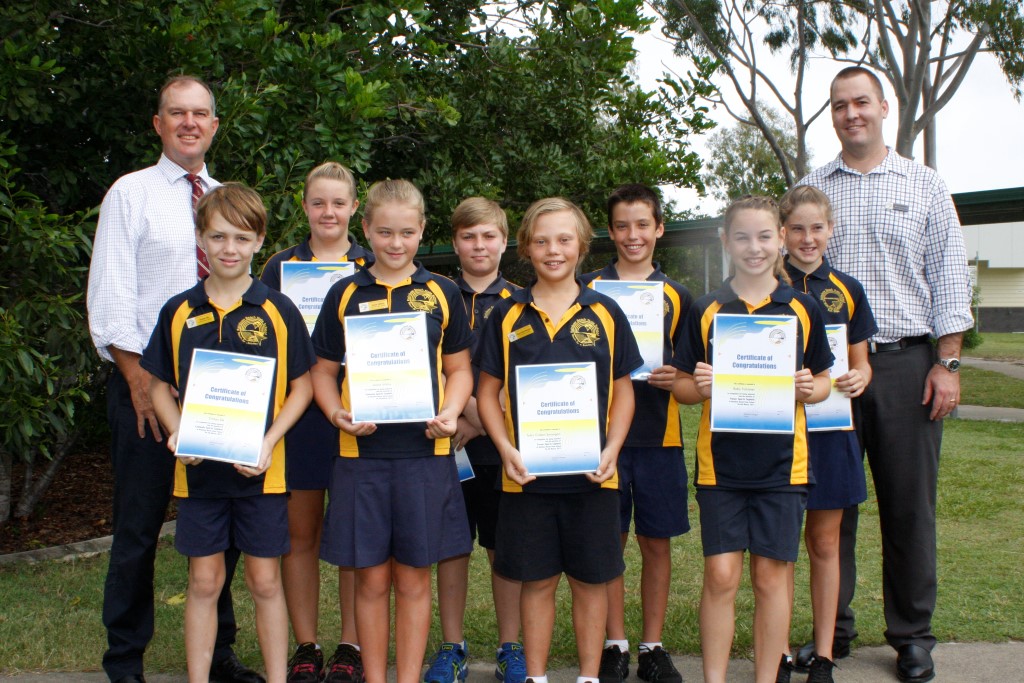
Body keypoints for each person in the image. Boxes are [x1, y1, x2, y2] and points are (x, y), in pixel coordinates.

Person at [796, 66, 973, 683]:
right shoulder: (812, 188)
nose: (851, 114)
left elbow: (950, 276)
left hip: (905, 364)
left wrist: (947, 362)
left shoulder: (925, 185)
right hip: (829, 373)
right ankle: (832, 631)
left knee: (907, 507)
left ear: (884, 108)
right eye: (840, 105)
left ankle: (911, 635)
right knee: (830, 505)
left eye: (861, 102)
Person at [87, 75, 263, 683]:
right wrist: (138, 379)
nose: (189, 123)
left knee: (223, 526)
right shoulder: (129, 194)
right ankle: (124, 658)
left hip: (223, 395)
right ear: (158, 124)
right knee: (137, 525)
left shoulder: (226, 200)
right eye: (176, 113)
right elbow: (110, 298)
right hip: (144, 387)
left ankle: (218, 654)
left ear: (214, 125)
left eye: (201, 114)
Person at [142, 182, 315, 683]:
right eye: (218, 237)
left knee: (265, 581)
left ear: (259, 240)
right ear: (201, 239)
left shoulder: (277, 310)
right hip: (199, 476)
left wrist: (269, 440)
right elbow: (158, 385)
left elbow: (301, 388)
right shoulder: (179, 311)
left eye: (241, 238)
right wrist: (178, 433)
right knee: (203, 580)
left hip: (261, 472)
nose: (229, 249)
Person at [310, 179, 475, 683]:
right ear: (366, 229)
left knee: (413, 578)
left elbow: (461, 369)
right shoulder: (344, 293)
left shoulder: (442, 293)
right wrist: (337, 414)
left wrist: (450, 412)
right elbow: (321, 371)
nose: (396, 243)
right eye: (384, 232)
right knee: (371, 580)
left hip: (425, 456)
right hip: (361, 457)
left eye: (407, 232)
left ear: (423, 230)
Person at [475, 197, 642, 683]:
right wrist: (505, 449)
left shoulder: (606, 312)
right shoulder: (507, 316)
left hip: (593, 476)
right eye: (542, 240)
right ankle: (537, 676)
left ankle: (590, 676)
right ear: (525, 248)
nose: (554, 250)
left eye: (564, 239)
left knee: (592, 582)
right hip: (527, 477)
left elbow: (624, 392)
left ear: (582, 246)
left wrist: (611, 449)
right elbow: (488, 393)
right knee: (537, 580)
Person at [670, 196, 833, 683]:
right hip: (721, 468)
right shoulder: (707, 309)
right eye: (741, 236)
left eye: (764, 236)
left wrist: (812, 388)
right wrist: (695, 386)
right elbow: (680, 389)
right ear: (725, 241)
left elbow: (823, 380)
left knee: (770, 577)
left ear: (781, 238)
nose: (754, 247)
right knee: (721, 576)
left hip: (784, 467)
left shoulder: (801, 308)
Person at [259, 161, 372, 683]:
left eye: (339, 202)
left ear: (355, 208)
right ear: (304, 206)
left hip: (364, 415)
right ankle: (307, 645)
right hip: (299, 418)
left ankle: (351, 645)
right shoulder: (278, 269)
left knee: (354, 537)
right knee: (299, 534)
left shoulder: (375, 266)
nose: (329, 212)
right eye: (318, 202)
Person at [579, 185, 692, 683]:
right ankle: (615, 642)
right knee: (608, 541)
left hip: (659, 437)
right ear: (610, 231)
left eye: (642, 224)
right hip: (600, 438)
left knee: (655, 543)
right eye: (622, 225)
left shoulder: (677, 296)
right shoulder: (588, 290)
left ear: (659, 229)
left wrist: (678, 379)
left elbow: (691, 378)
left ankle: (652, 645)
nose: (632, 235)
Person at [425, 198, 526, 683]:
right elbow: (431, 367)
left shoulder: (525, 301)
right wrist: (461, 413)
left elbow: (528, 377)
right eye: (468, 236)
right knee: (452, 547)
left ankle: (511, 646)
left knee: (504, 548)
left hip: (503, 448)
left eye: (489, 235)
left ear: (505, 241)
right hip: (449, 446)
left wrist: (481, 420)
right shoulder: (437, 297)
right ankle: (453, 646)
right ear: (454, 242)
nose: (479, 245)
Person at [779, 186, 877, 683]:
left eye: (817, 227)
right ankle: (775, 652)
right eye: (797, 227)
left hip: (832, 429)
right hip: (774, 434)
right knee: (777, 547)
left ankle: (823, 654)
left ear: (830, 231)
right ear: (781, 233)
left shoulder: (848, 288)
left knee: (825, 542)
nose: (807, 237)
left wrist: (860, 377)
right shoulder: (765, 286)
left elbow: (860, 364)